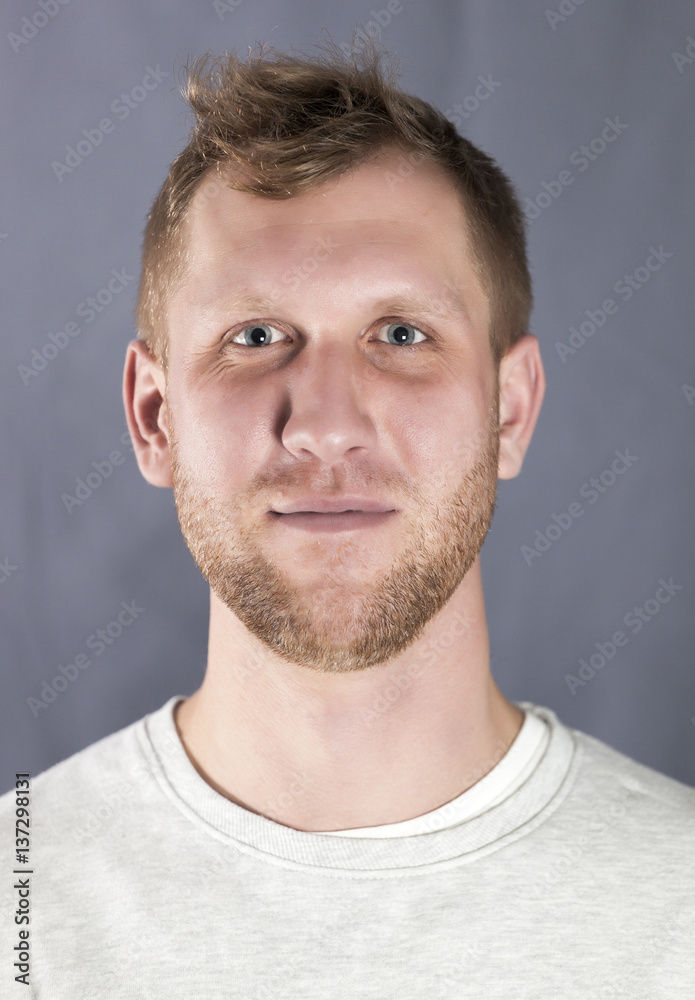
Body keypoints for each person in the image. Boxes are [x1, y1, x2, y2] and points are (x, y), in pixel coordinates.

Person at [2, 41, 694, 998]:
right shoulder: (17, 909)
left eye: (401, 336)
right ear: (153, 417)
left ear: (509, 410)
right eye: (254, 337)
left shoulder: (680, 909)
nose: (325, 426)